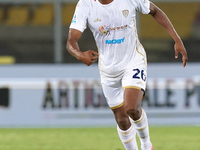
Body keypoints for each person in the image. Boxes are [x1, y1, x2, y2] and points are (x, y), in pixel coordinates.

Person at [66, 0, 188, 150]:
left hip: (133, 61)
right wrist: (79, 54)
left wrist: (177, 39)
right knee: (122, 120)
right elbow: (71, 40)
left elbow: (155, 11)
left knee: (132, 108)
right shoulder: (85, 5)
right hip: (108, 70)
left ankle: (146, 145)